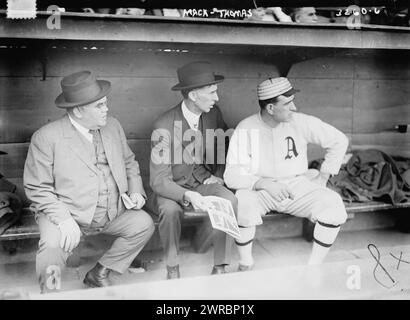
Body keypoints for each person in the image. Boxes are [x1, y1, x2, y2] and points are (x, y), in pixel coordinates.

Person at [24, 70, 155, 293]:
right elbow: (37, 188)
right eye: (99, 106)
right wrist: (64, 221)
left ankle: (100, 272)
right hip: (68, 214)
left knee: (143, 225)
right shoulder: (46, 137)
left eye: (106, 103)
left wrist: (135, 192)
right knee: (52, 247)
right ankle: (49, 292)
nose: (107, 109)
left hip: (112, 212)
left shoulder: (113, 126)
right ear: (78, 110)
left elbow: (129, 162)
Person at [224, 77, 349, 271]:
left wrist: (324, 176)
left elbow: (339, 140)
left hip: (296, 186)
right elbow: (231, 175)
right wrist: (262, 183)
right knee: (242, 203)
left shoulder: (301, 122)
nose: (294, 108)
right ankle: (245, 263)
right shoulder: (246, 127)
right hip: (260, 190)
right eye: (288, 103)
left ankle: (313, 268)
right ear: (271, 108)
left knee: (334, 205)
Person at [148, 61, 237, 279]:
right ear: (194, 96)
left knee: (229, 201)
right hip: (173, 187)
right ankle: (172, 268)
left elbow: (224, 144)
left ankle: (220, 267)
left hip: (203, 181)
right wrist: (187, 195)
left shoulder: (213, 114)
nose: (217, 97)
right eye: (212, 92)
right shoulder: (163, 125)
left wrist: (218, 174)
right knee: (170, 212)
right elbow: (159, 180)